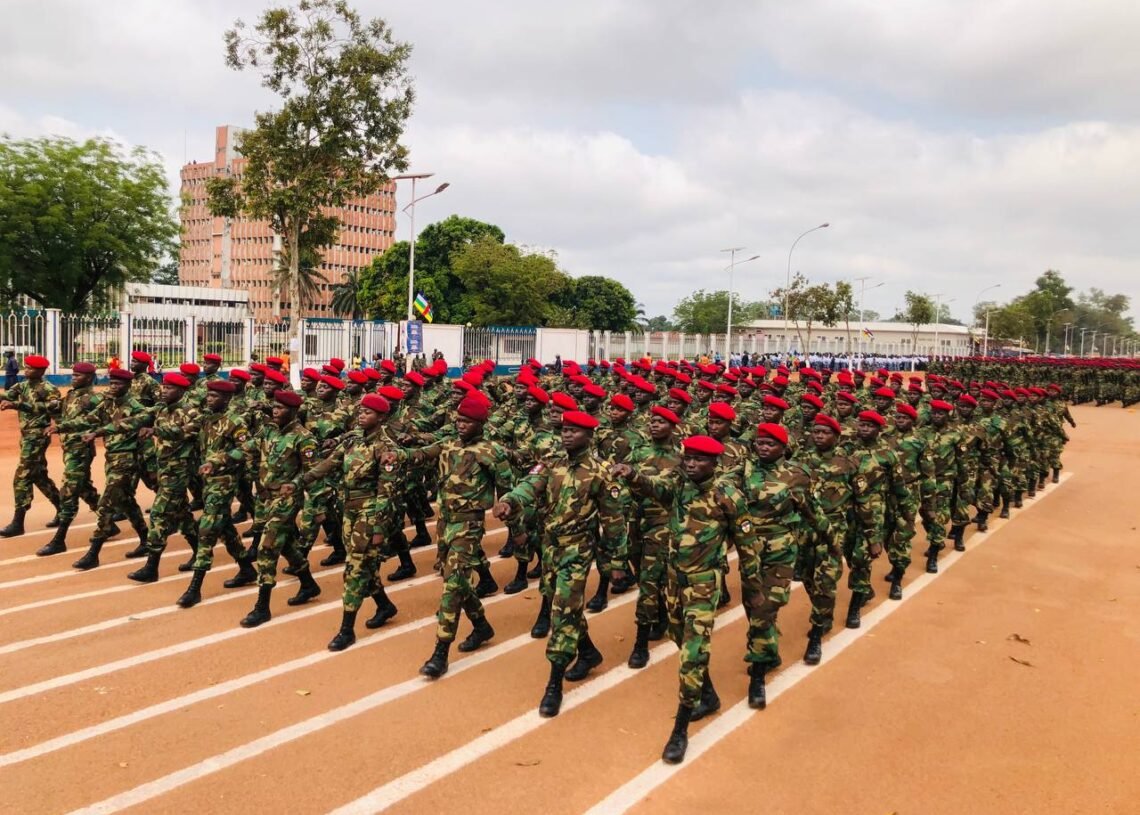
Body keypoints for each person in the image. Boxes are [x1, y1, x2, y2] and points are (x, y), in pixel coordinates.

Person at [612, 434, 755, 764]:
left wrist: (753, 582)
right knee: (678, 636)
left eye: (699, 459)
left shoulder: (727, 494)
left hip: (704, 583)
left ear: (714, 463)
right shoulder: (678, 485)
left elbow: (747, 543)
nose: (691, 463)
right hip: (675, 579)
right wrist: (632, 474)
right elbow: (653, 487)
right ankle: (708, 695)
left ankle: (679, 728)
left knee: (693, 650)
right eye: (687, 457)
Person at [495, 410, 628, 717]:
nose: (567, 435)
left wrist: (618, 560)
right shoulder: (552, 462)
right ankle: (589, 652)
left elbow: (614, 519)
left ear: (589, 436)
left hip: (578, 548)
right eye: (565, 430)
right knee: (563, 604)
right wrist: (509, 501)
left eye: (575, 431)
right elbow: (530, 486)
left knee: (563, 610)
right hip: (551, 544)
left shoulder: (600, 471)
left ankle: (554, 682)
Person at [398, 396, 515, 678]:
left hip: (469, 525)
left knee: (452, 586)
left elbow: (508, 487)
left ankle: (441, 652)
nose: (461, 425)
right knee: (457, 579)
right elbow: (421, 454)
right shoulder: (448, 444)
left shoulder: (491, 451)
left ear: (481, 423)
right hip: (445, 522)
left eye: (467, 421)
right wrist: (394, 454)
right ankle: (482, 626)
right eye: (459, 420)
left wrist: (507, 509)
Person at [222, 389, 322, 628]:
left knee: (268, 548)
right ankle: (308, 583)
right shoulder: (268, 430)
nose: (275, 411)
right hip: (265, 497)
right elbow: (247, 448)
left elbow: (314, 472)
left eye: (280, 408)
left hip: (287, 500)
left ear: (294, 411)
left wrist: (312, 500)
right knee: (285, 543)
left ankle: (262, 606)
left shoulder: (303, 438)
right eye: (274, 407)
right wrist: (219, 460)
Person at [36, 362, 103, 556]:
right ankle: (108, 523)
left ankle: (59, 539)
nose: (73, 378)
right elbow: (58, 412)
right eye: (73, 375)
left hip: (81, 450)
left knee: (69, 491)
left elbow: (94, 420)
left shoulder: (94, 399)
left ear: (89, 378)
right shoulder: (72, 394)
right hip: (70, 448)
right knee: (83, 487)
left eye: (78, 376)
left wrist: (61, 427)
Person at [0, 354, 61, 537]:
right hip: (26, 436)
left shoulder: (49, 389)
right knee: (39, 476)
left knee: (22, 476)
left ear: (40, 371)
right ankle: (63, 508)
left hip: (38, 436)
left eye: (30, 368)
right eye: (25, 367)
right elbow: (7, 396)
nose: (26, 370)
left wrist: (17, 405)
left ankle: (18, 522)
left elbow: (50, 408)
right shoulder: (23, 385)